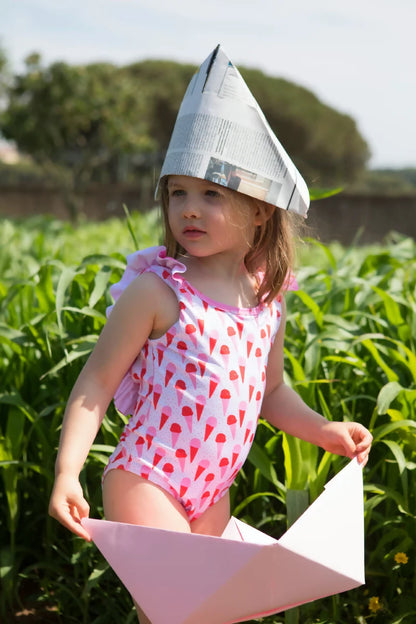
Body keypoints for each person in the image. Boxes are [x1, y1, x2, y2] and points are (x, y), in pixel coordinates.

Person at [48, 46, 372, 624]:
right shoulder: (158, 292)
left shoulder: (268, 299)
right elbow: (96, 382)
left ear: (260, 212)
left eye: (211, 194)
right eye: (178, 193)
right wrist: (67, 470)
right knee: (184, 614)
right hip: (149, 475)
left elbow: (271, 393)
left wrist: (323, 431)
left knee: (214, 613)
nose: (189, 210)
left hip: (212, 488)